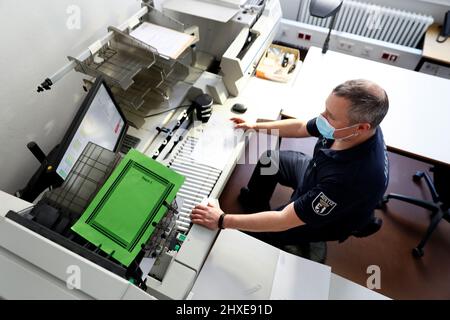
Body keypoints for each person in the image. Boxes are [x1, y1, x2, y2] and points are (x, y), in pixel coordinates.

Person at [190, 79, 390, 249]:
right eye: (325, 109)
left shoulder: (351, 178)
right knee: (271, 160)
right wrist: (255, 126)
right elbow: (302, 126)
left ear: (362, 127)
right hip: (317, 171)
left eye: (331, 116)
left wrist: (222, 220)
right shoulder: (352, 128)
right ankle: (254, 203)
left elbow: (283, 220)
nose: (322, 118)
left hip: (328, 209)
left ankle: (267, 238)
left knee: (266, 234)